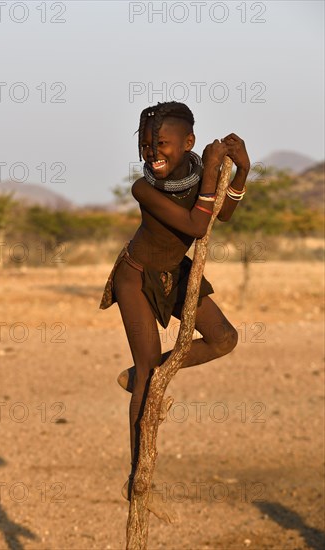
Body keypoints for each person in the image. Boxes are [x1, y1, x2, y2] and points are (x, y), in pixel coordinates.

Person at [99, 101, 250, 522]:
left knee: (225, 339)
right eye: (147, 145)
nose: (153, 153)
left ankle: (144, 376)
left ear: (189, 143)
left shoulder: (203, 174)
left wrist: (240, 172)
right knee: (149, 376)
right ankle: (136, 478)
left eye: (161, 144)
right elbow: (198, 226)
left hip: (176, 272)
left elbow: (226, 214)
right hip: (137, 275)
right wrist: (213, 174)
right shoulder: (143, 188)